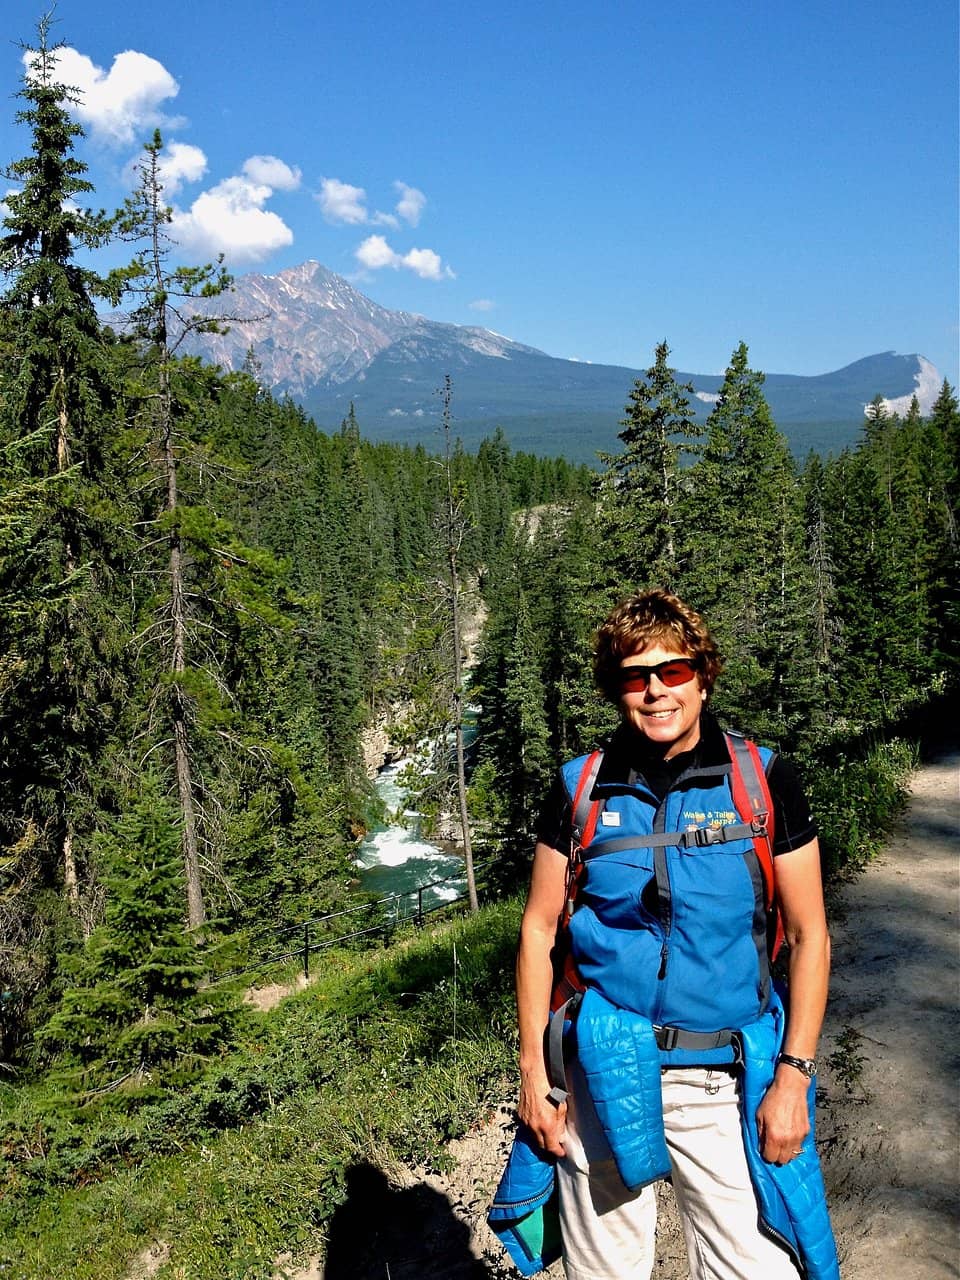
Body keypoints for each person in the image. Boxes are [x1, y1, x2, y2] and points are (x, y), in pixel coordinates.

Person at [515, 589, 834, 1280]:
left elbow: (810, 937)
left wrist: (793, 1078)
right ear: (615, 688)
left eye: (674, 671)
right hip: (601, 1067)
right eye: (635, 676)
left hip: (721, 1077)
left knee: (755, 1269)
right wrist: (535, 1076)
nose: (656, 691)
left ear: (703, 674)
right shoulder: (581, 789)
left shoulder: (763, 781)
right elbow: (540, 928)